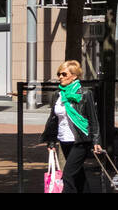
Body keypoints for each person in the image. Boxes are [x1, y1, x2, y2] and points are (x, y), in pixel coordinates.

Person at [41, 60, 102, 194]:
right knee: (78, 175)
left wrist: (96, 141)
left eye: (64, 74)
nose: (60, 77)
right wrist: (51, 141)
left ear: (74, 76)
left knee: (68, 175)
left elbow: (93, 119)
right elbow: (53, 119)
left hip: (80, 140)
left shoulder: (85, 93)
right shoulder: (58, 94)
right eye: (59, 74)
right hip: (64, 139)